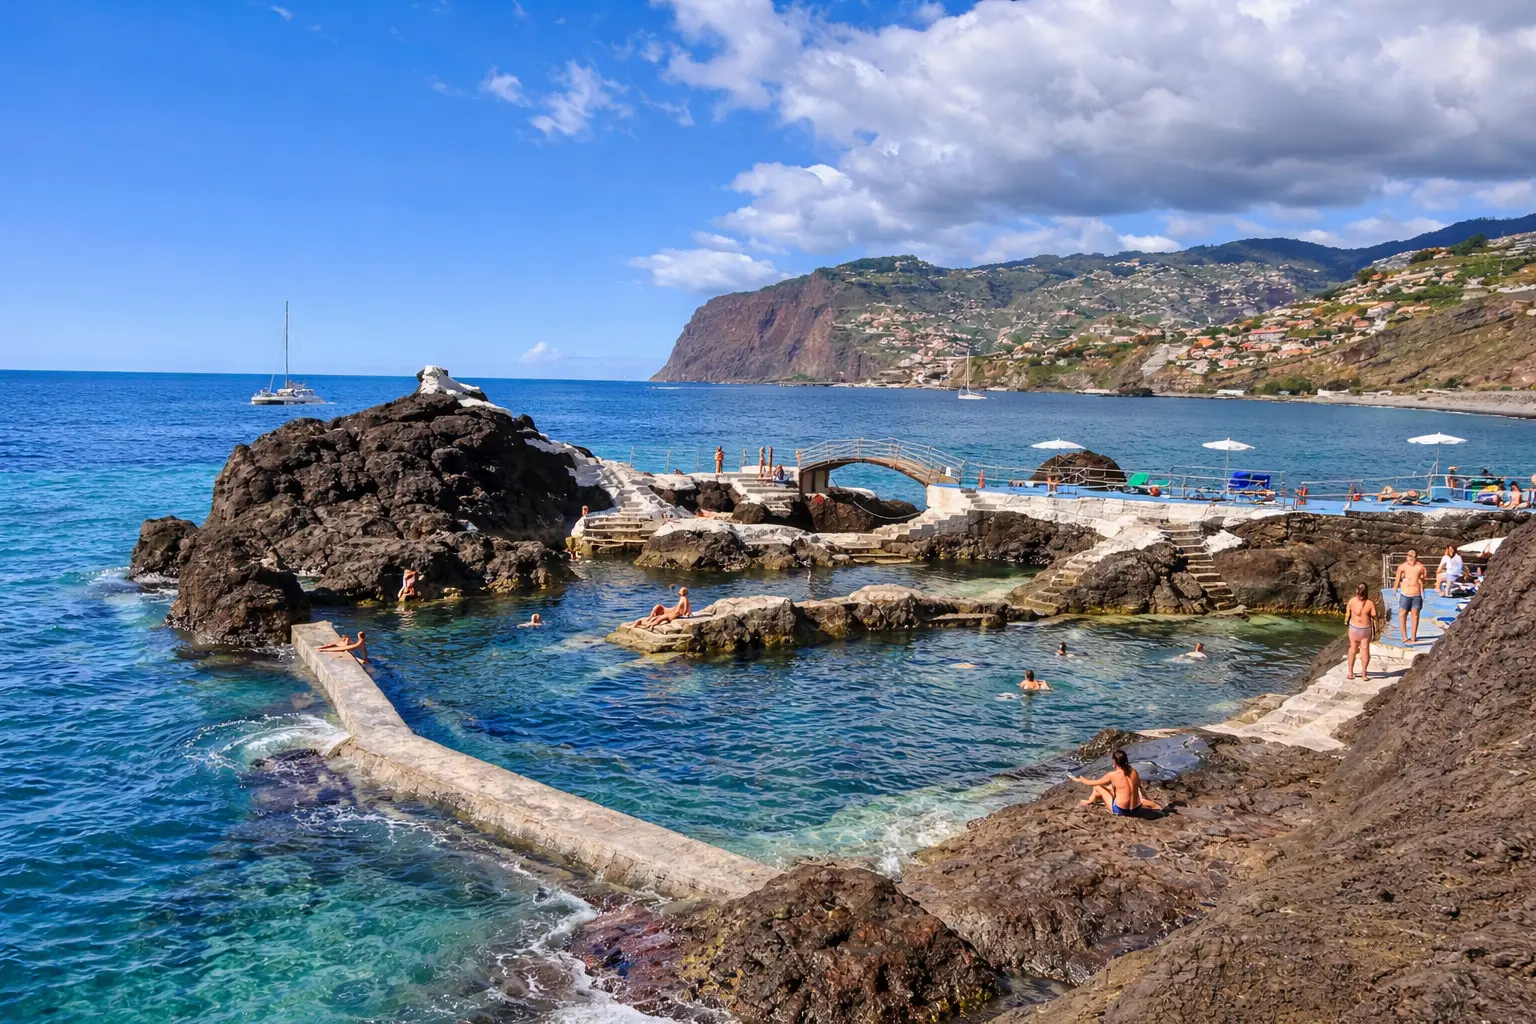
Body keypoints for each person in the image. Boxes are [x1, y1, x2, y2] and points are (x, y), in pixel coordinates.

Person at [1073, 748, 1163, 817]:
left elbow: (1093, 783)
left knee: (1097, 787)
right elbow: (1140, 787)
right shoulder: (1134, 772)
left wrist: (1082, 779)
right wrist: (1147, 798)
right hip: (1136, 808)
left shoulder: (1112, 775)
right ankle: (1158, 807)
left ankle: (1088, 801)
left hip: (1121, 810)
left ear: (1114, 762)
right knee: (1127, 790)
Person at [1394, 549, 1428, 644]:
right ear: (1407, 556)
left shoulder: (1421, 567)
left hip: (1416, 594)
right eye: (1409, 555)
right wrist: (1395, 590)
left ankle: (1413, 637)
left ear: (1416, 557)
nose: (1411, 558)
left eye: (1413, 556)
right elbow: (1397, 580)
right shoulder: (1402, 567)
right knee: (1402, 614)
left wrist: (1421, 580)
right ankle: (1404, 637)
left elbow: (1424, 579)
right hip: (1405, 594)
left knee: (1415, 615)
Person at [1345, 583, 1377, 680]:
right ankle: (1363, 674)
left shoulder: (1351, 601)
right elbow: (1374, 615)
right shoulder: (1370, 603)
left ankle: (1350, 672)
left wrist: (1346, 622)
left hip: (1354, 628)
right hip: (1365, 629)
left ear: (1356, 591)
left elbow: (1347, 616)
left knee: (1353, 648)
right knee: (1365, 649)